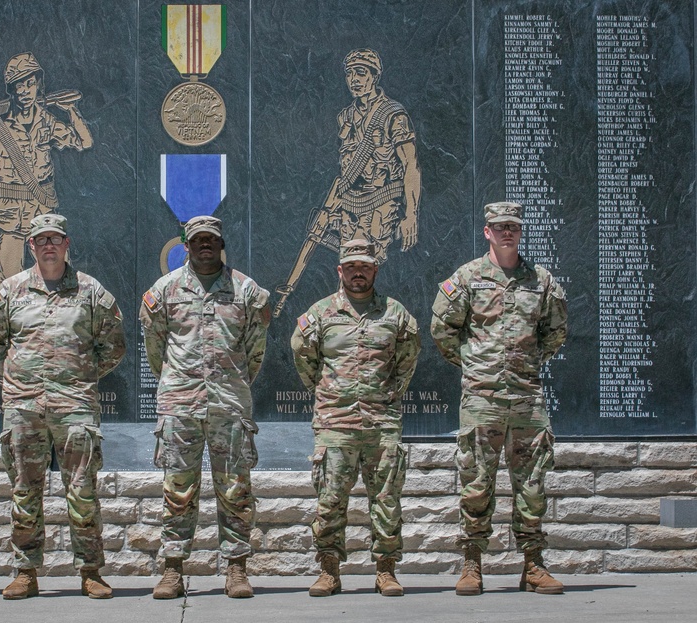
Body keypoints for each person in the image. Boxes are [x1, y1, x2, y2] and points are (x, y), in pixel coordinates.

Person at [0, 213, 125, 600]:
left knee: (82, 491)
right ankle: (25, 571)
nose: (48, 246)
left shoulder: (91, 293)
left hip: (75, 406)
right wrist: (19, 378)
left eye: (54, 239)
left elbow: (113, 346)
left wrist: (79, 377)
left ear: (66, 244)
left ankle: (90, 571)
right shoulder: (9, 292)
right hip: (24, 407)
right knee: (25, 491)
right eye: (40, 239)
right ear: (31, 246)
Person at [430, 201, 568, 596]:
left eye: (513, 226)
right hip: (482, 399)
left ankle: (533, 566)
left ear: (520, 232)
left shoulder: (541, 281)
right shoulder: (469, 278)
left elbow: (555, 331)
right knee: (476, 483)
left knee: (533, 485)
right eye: (499, 227)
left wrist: (528, 364)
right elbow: (443, 329)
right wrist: (474, 366)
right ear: (487, 231)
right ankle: (472, 565)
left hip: (527, 399)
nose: (507, 232)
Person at [140, 215, 271, 599]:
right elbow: (156, 351)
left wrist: (231, 382)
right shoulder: (163, 291)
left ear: (221, 243)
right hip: (180, 405)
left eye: (211, 239)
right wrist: (179, 383)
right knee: (177, 489)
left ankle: (236, 569)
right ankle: (173, 570)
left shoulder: (247, 292)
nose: (204, 246)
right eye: (197, 240)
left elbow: (254, 353)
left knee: (235, 489)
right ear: (186, 245)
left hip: (229, 405)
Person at [290, 239, 419, 597]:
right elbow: (304, 358)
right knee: (330, 502)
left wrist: (389, 395)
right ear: (340, 271)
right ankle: (329, 571)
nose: (358, 272)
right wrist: (330, 392)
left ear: (375, 270)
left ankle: (386, 571)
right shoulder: (319, 314)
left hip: (382, 424)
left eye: (365, 266)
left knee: (387, 501)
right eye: (351, 267)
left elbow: (408, 358)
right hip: (335, 424)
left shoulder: (395, 314)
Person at [0, 52, 93, 284]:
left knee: (61, 285)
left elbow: (84, 142)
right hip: (9, 220)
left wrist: (71, 110)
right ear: (11, 90)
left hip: (46, 216)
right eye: (18, 86)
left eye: (30, 83)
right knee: (7, 288)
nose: (25, 91)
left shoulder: (47, 121)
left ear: (38, 85)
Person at [335, 48, 420, 262]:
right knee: (347, 269)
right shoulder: (346, 117)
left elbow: (411, 165)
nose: (354, 79)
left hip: (381, 204)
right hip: (349, 207)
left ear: (374, 76)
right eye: (350, 74)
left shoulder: (393, 115)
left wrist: (411, 214)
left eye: (361, 72)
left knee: (366, 267)